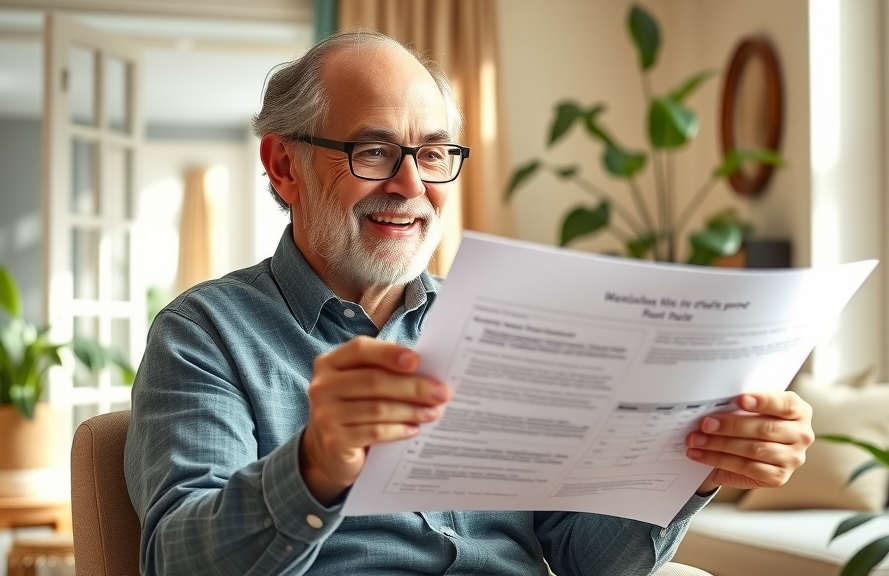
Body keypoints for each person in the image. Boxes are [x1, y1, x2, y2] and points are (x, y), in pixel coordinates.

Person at [125, 30, 814, 576]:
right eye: (372, 152)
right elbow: (178, 561)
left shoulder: (510, 326)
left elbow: (584, 558)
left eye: (431, 155)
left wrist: (690, 469)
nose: (409, 184)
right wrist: (315, 464)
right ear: (283, 165)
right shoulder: (204, 334)